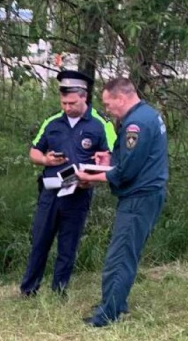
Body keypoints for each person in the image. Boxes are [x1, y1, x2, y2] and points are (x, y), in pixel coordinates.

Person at [76, 77, 168, 327]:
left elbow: (127, 171)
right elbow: (131, 158)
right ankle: (115, 301)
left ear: (121, 97)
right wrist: (108, 159)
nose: (107, 109)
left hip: (139, 198)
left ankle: (108, 315)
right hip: (147, 195)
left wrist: (92, 175)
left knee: (120, 256)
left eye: (108, 104)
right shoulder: (148, 114)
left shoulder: (135, 125)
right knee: (127, 252)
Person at [20, 70, 116, 297]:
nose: (67, 107)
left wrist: (93, 176)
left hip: (79, 192)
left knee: (68, 244)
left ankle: (59, 290)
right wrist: (45, 159)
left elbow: (111, 158)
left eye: (72, 102)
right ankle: (29, 289)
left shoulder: (101, 124)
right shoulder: (52, 122)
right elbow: (34, 152)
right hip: (51, 191)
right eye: (63, 102)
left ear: (84, 97)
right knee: (40, 241)